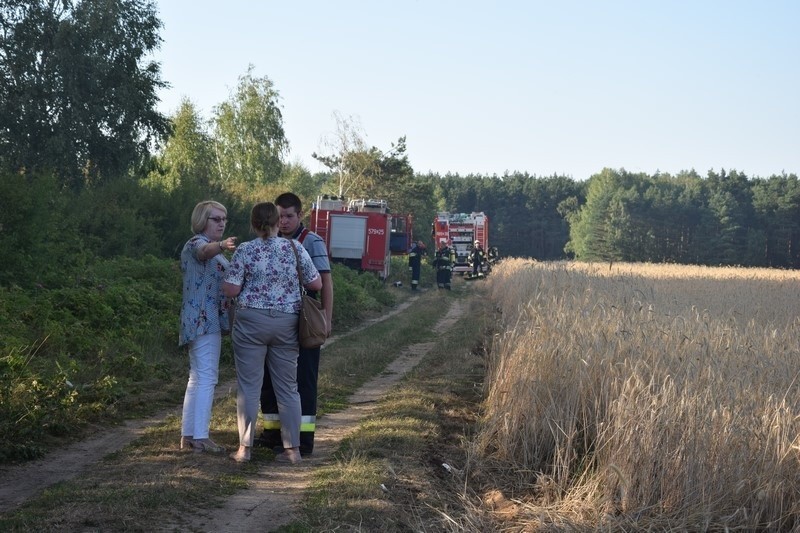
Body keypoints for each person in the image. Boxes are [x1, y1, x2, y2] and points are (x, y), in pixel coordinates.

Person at [223, 202, 322, 464]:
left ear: (254, 224)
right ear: (279, 222)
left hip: (250, 323)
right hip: (286, 324)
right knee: (289, 388)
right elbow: (316, 283)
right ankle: (293, 451)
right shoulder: (295, 248)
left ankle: (244, 449)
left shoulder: (245, 250)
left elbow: (232, 291)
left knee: (249, 387)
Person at [256, 192, 333, 456]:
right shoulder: (267, 242)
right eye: (281, 216)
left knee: (304, 379)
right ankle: (272, 433)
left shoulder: (311, 242)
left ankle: (303, 438)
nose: (285, 221)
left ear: (300, 215)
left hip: (304, 320)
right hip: (275, 320)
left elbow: (325, 282)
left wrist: (326, 317)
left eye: (290, 216)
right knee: (269, 378)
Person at [179, 200, 237, 453]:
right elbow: (203, 252)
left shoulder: (216, 250)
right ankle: (201, 437)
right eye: (216, 219)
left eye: (224, 219)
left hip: (206, 319)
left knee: (198, 377)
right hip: (202, 320)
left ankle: (190, 435)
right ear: (202, 220)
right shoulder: (196, 243)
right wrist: (222, 245)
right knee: (206, 378)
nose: (222, 223)